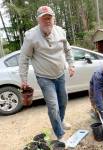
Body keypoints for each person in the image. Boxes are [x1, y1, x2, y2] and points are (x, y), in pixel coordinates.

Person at [19, 5, 75, 142]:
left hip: (60, 74)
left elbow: (68, 49)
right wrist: (23, 78)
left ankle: (60, 122)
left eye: (49, 18)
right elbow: (24, 58)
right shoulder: (31, 36)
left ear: (53, 19)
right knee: (53, 106)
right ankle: (59, 134)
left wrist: (71, 65)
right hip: (44, 78)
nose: (47, 21)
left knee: (63, 102)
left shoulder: (60, 32)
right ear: (39, 20)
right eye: (44, 19)